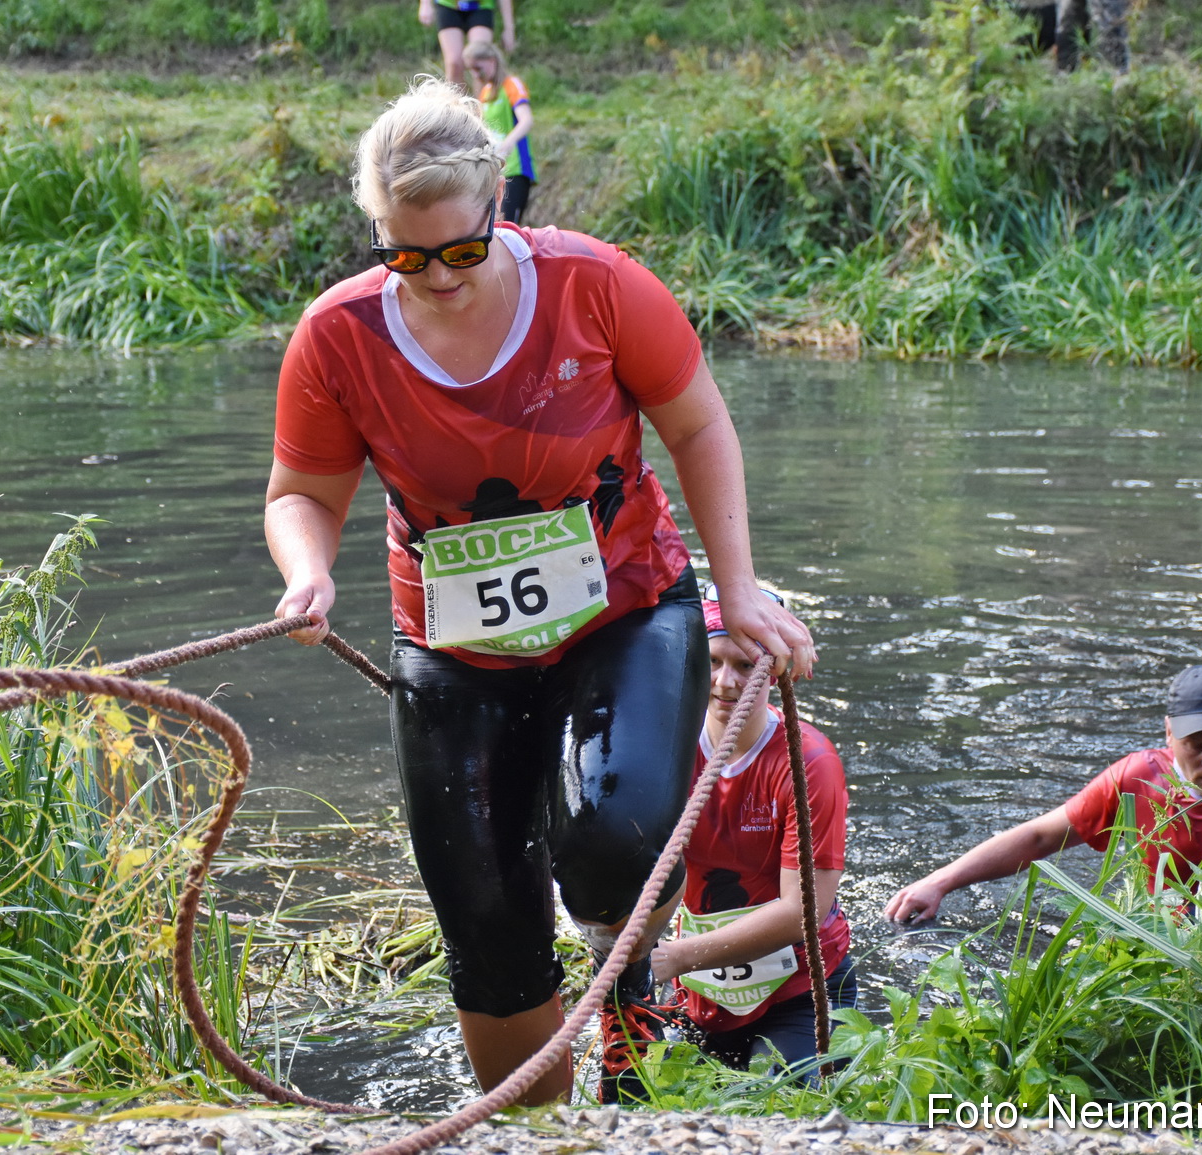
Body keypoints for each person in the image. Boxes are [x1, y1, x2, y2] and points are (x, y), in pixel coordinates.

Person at [265, 78, 814, 1108]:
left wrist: (736, 592)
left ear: (497, 211)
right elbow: (301, 492)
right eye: (406, 256)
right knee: (482, 912)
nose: (437, 278)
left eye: (461, 251)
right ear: (379, 238)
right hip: (453, 645)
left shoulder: (595, 286)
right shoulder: (338, 337)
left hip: (626, 609)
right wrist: (308, 573)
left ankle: (629, 995)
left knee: (607, 841)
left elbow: (697, 427)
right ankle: (536, 1130)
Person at [883, 666, 1202, 930]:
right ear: (1168, 733)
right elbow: (1041, 836)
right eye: (1196, 747)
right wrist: (941, 880)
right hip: (1160, 935)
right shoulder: (1136, 778)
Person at [645, 593, 856, 1086]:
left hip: (800, 989)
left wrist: (674, 959)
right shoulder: (667, 747)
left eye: (745, 665)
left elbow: (801, 912)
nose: (724, 682)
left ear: (776, 669)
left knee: (781, 1106)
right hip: (697, 989)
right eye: (713, 662)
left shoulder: (809, 764)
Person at [463, 41, 535, 224]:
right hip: (494, 170)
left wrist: (508, 143)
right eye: (471, 70)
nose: (475, 75)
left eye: (478, 68)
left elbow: (526, 120)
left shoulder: (512, 85)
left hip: (516, 168)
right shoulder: (486, 92)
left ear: (492, 61)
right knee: (492, 226)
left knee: (507, 225)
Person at [419, 0, 515, 89]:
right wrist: (425, 4)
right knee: (454, 63)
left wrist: (509, 28)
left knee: (481, 61)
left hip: (481, 6)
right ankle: (454, 104)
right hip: (448, 5)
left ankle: (483, 105)